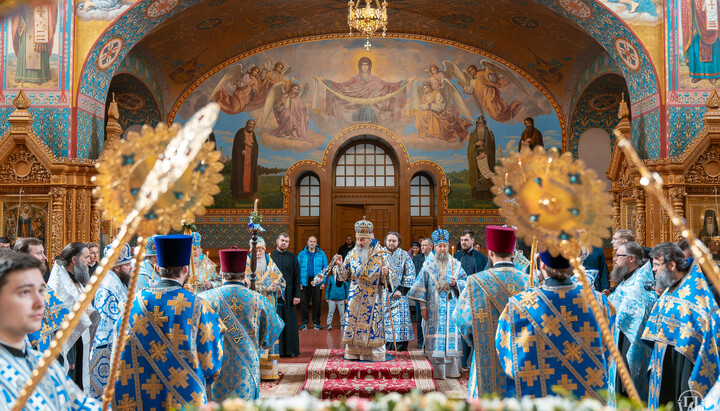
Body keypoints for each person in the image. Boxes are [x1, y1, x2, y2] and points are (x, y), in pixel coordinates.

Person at [113, 234, 225, 409]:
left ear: (157, 268)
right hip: (183, 396)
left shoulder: (131, 304)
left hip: (139, 395)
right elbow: (211, 363)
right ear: (186, 269)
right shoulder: (198, 306)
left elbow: (118, 349)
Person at [496, 251, 615, 402]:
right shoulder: (599, 302)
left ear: (543, 265)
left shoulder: (519, 304)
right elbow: (609, 349)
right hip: (587, 396)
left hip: (535, 396)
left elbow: (506, 350)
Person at [0, 252, 100, 410]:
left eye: (40, 291)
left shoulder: (45, 365)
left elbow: (82, 405)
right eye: (25, 292)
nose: (41, 303)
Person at [641, 242, 720, 409]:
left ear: (672, 265)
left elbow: (705, 324)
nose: (653, 269)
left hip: (684, 363)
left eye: (656, 264)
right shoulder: (671, 288)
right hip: (664, 360)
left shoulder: (695, 293)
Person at [200, 247, 284, 401]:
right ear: (244, 275)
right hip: (246, 369)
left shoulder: (204, 299)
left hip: (213, 367)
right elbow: (272, 334)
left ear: (222, 274)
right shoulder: (259, 300)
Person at [453, 226, 527, 398]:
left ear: (491, 253)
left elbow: (460, 318)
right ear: (513, 253)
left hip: (487, 350)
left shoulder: (475, 281)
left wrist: (474, 340)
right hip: (521, 354)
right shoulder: (528, 280)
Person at [408, 229, 467, 379]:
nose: (442, 249)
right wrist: (423, 308)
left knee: (451, 336)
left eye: (445, 246)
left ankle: (453, 371)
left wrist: (457, 284)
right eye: (439, 246)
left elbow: (466, 283)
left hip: (451, 307)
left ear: (448, 247)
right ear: (434, 247)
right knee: (435, 337)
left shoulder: (456, 264)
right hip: (433, 308)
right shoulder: (428, 265)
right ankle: (437, 371)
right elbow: (420, 286)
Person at [331, 218, 389, 361]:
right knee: (353, 324)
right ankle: (354, 353)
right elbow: (344, 276)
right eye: (358, 239)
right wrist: (339, 266)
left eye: (363, 240)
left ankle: (373, 354)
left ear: (370, 239)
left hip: (373, 297)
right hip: (355, 297)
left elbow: (387, 280)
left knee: (373, 324)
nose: (360, 242)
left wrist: (386, 274)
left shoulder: (381, 254)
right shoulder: (351, 254)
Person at [605, 242, 656, 400]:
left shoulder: (638, 285)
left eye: (618, 255)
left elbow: (629, 313)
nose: (614, 259)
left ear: (631, 258)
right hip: (619, 341)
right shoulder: (629, 279)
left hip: (627, 345)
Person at [47, 242, 97, 391]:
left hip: (80, 341)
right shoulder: (59, 284)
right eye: (86, 257)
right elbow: (59, 324)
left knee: (79, 384)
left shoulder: (75, 279)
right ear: (74, 260)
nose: (89, 261)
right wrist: (69, 356)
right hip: (68, 348)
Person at [87, 243, 131, 400]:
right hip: (105, 350)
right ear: (117, 268)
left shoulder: (116, 282)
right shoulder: (108, 286)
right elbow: (106, 324)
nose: (131, 267)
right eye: (127, 264)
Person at [14, 237, 69, 354]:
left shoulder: (41, 283)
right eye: (39, 253)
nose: (44, 257)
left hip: (48, 351)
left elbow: (61, 318)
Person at [245, 237, 286, 380]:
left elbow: (283, 283)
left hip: (269, 309)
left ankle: (269, 373)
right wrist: (262, 288)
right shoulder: (246, 267)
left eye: (261, 250)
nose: (259, 253)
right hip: (252, 311)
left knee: (268, 335)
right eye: (256, 250)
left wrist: (277, 288)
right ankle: (253, 372)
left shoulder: (271, 265)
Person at [453, 229, 487, 368]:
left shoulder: (481, 258)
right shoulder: (455, 256)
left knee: (469, 330)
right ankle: (459, 363)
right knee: (458, 329)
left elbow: (483, 278)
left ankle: (469, 362)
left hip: (474, 299)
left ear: (473, 240)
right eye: (462, 240)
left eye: (466, 240)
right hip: (456, 297)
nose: (463, 243)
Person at [382, 231, 416, 351]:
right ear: (385, 241)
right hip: (383, 296)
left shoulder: (404, 255)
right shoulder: (379, 254)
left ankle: (400, 350)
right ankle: (383, 349)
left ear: (398, 242)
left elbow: (411, 274)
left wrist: (401, 290)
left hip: (399, 296)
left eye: (394, 241)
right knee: (384, 324)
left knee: (399, 323)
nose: (391, 243)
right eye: (389, 240)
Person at [271, 232, 301, 357]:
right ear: (277, 241)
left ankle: (290, 350)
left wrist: (297, 295)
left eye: (287, 241)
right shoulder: (270, 257)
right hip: (274, 294)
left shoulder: (293, 258)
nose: (284, 243)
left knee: (289, 322)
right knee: (276, 321)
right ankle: (277, 350)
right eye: (282, 240)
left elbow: (296, 278)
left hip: (289, 294)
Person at [297, 236, 328, 330]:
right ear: (307, 242)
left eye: (314, 241)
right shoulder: (302, 254)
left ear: (316, 243)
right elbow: (297, 268)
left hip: (317, 282)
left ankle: (316, 322)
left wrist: (323, 282)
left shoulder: (321, 254)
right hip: (304, 281)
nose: (312, 243)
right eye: (310, 241)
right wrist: (299, 282)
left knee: (317, 303)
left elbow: (325, 268)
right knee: (304, 303)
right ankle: (304, 322)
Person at [467, 115, 496, 201]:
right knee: (476, 177)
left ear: (484, 124)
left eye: (482, 124)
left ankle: (488, 196)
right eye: (479, 124)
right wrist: (476, 145)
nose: (480, 126)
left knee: (487, 177)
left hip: (486, 158)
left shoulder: (489, 133)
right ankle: (475, 197)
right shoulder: (473, 133)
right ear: (476, 124)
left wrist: (485, 153)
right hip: (476, 158)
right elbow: (469, 148)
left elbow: (491, 147)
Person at [412, 237, 433, 349]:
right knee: (419, 318)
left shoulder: (436, 258)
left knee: (432, 318)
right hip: (420, 293)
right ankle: (421, 343)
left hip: (432, 293)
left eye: (424, 245)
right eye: (421, 245)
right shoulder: (417, 258)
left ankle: (431, 341)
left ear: (431, 246)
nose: (422, 247)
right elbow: (414, 274)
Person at [230, 119, 259, 200]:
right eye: (250, 124)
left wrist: (251, 145)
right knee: (240, 175)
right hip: (241, 160)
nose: (251, 126)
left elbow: (256, 146)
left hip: (250, 160)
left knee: (249, 176)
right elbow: (236, 146)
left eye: (253, 125)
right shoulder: (240, 132)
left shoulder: (253, 134)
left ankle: (249, 194)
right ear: (246, 124)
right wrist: (241, 150)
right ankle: (239, 194)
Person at [322, 260, 349, 331]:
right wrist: (326, 297)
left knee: (342, 313)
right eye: (334, 270)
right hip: (332, 298)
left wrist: (346, 298)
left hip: (341, 298)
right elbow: (328, 288)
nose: (335, 271)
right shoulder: (331, 278)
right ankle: (328, 324)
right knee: (330, 312)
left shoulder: (343, 277)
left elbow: (347, 287)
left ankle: (342, 324)